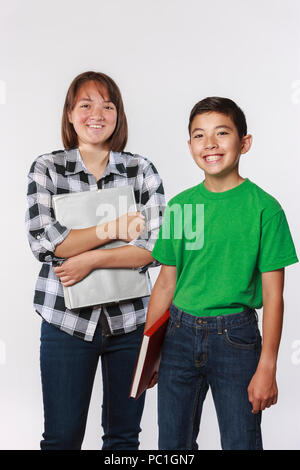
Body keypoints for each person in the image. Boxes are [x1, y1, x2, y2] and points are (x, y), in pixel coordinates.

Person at [145, 97, 298, 450]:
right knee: (172, 444)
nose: (210, 144)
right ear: (190, 146)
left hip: (237, 339)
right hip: (178, 336)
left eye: (222, 133)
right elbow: (166, 282)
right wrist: (149, 353)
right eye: (199, 136)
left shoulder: (265, 209)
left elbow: (274, 295)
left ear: (244, 142)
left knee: (241, 441)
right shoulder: (181, 206)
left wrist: (268, 367)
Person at [25, 71, 165, 450]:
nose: (96, 114)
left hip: (131, 324)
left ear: (118, 114)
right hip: (64, 324)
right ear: (70, 114)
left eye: (107, 105)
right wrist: (115, 227)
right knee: (62, 439)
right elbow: (46, 241)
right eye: (85, 105)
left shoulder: (141, 171)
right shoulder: (48, 168)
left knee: (123, 440)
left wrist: (88, 260)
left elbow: (156, 248)